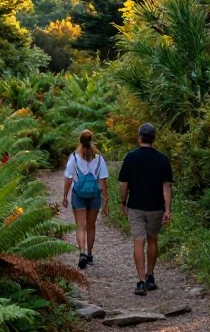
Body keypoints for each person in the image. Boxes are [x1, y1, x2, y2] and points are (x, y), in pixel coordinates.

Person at [118, 123, 173, 296]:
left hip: (135, 206)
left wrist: (123, 202)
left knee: (138, 241)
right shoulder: (162, 159)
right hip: (156, 207)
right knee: (153, 240)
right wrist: (167, 209)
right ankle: (150, 277)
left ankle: (141, 282)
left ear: (140, 137)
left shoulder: (131, 157)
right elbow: (167, 186)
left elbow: (124, 183)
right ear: (154, 138)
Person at [62, 129, 109, 270]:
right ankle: (89, 255)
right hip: (94, 196)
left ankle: (81, 252)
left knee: (80, 226)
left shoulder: (74, 157)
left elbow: (68, 178)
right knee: (91, 226)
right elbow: (102, 181)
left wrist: (65, 195)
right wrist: (105, 199)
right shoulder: (99, 158)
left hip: (79, 196)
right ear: (92, 140)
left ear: (79, 141)